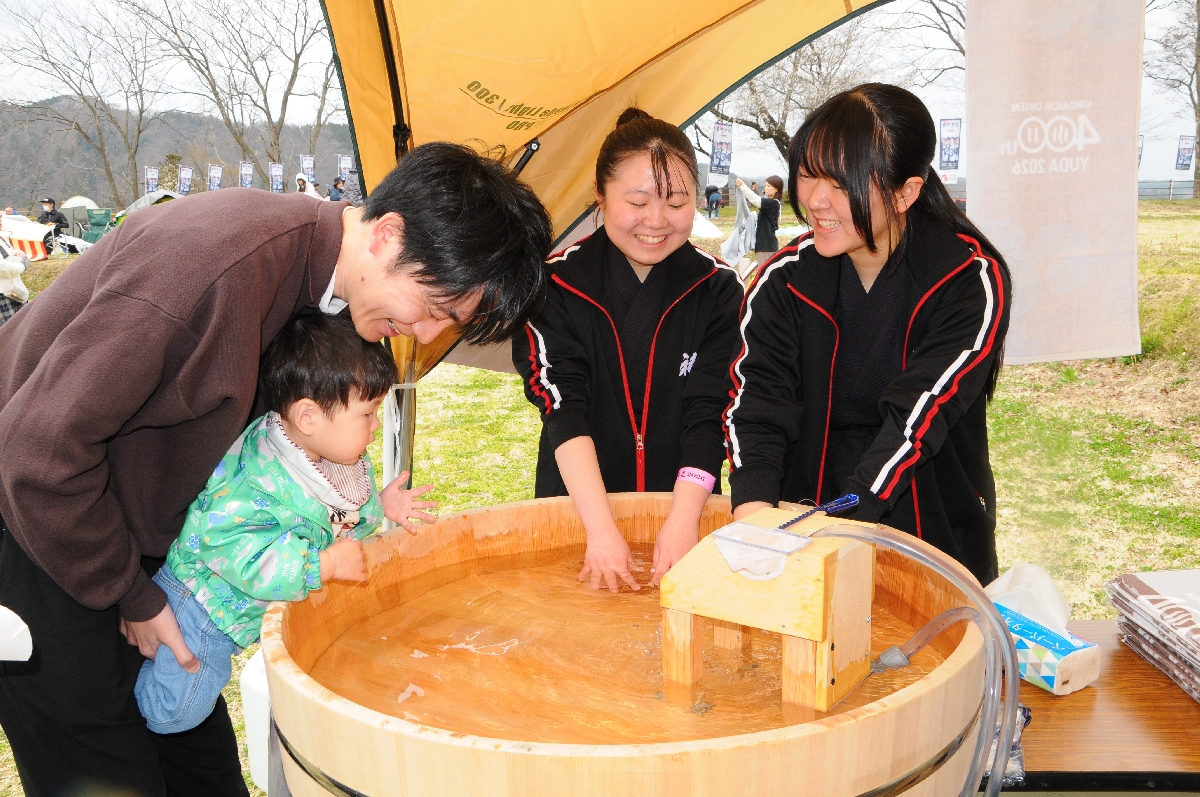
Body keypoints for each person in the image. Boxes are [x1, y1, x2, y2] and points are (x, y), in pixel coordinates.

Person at [0, 142, 552, 797]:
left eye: (449, 325)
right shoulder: (210, 264)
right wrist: (134, 593)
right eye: (434, 307)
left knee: (199, 764)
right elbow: (37, 457)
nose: (426, 334)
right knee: (106, 776)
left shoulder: (330, 300)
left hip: (147, 549)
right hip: (35, 533)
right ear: (388, 234)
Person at [723, 84, 1011, 587]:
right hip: (801, 515)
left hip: (929, 526)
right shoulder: (783, 280)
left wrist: (839, 525)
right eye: (809, 175)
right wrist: (754, 517)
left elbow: (916, 420)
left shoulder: (968, 279)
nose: (814, 200)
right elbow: (758, 405)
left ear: (906, 192)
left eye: (841, 182)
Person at [134, 308, 435, 734]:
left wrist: (381, 506)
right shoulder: (260, 479)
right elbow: (234, 551)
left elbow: (335, 517)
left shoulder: (317, 450)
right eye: (367, 414)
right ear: (309, 416)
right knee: (176, 714)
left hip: (230, 609)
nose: (373, 428)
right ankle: (116, 701)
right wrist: (323, 567)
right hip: (201, 606)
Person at [514, 108, 742, 593]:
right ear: (599, 196)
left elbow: (710, 414)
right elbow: (563, 408)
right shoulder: (554, 285)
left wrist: (682, 523)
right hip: (579, 506)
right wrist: (600, 531)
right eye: (637, 201)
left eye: (677, 202)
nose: (656, 222)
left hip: (685, 503)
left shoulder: (718, 289)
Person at [736, 175, 784, 265]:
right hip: (764, 246)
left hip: (767, 247)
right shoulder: (771, 203)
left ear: (777, 189)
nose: (766, 188)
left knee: (766, 275)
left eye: (769, 186)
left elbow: (755, 199)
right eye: (765, 185)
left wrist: (742, 186)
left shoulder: (772, 204)